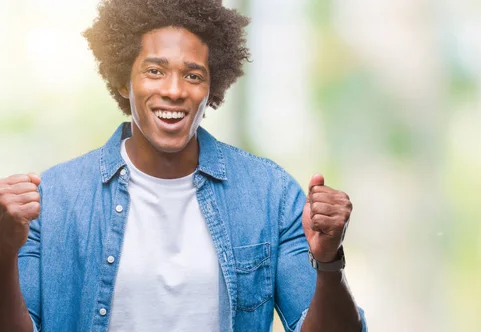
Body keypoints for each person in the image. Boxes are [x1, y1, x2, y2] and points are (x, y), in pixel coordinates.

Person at [0, 0, 367, 331]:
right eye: (155, 71)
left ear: (212, 88)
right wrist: (3, 251)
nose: (174, 90)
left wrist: (329, 262)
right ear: (124, 81)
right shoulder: (52, 201)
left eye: (193, 75)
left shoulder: (270, 194)